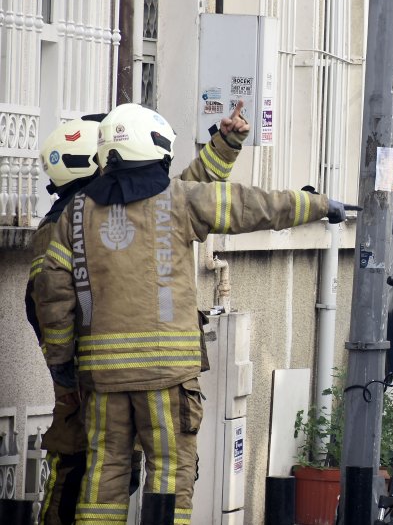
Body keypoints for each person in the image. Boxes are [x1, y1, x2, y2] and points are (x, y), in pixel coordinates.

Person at [33, 103, 346, 525]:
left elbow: (52, 289)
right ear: (156, 149)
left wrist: (62, 360)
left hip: (102, 378)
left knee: (104, 473)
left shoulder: (73, 215)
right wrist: (318, 204)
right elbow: (251, 205)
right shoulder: (178, 200)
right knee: (170, 472)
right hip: (168, 374)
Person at [26, 104, 250, 524]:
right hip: (86, 381)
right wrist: (64, 372)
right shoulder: (74, 218)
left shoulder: (93, 209)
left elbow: (180, 196)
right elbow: (46, 306)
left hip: (96, 375)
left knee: (107, 475)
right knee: (81, 474)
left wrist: (224, 144)